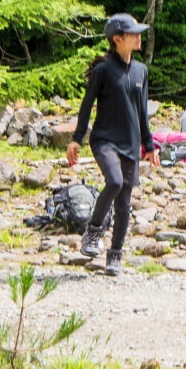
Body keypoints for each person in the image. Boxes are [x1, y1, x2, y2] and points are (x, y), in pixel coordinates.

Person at [65, 14, 158, 276]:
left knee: (124, 204)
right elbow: (86, 106)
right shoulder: (103, 70)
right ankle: (93, 232)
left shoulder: (141, 71)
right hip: (104, 140)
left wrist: (149, 145)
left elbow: (142, 111)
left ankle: (114, 256)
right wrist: (76, 139)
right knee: (114, 182)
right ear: (117, 39)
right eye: (133, 33)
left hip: (131, 143)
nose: (139, 37)